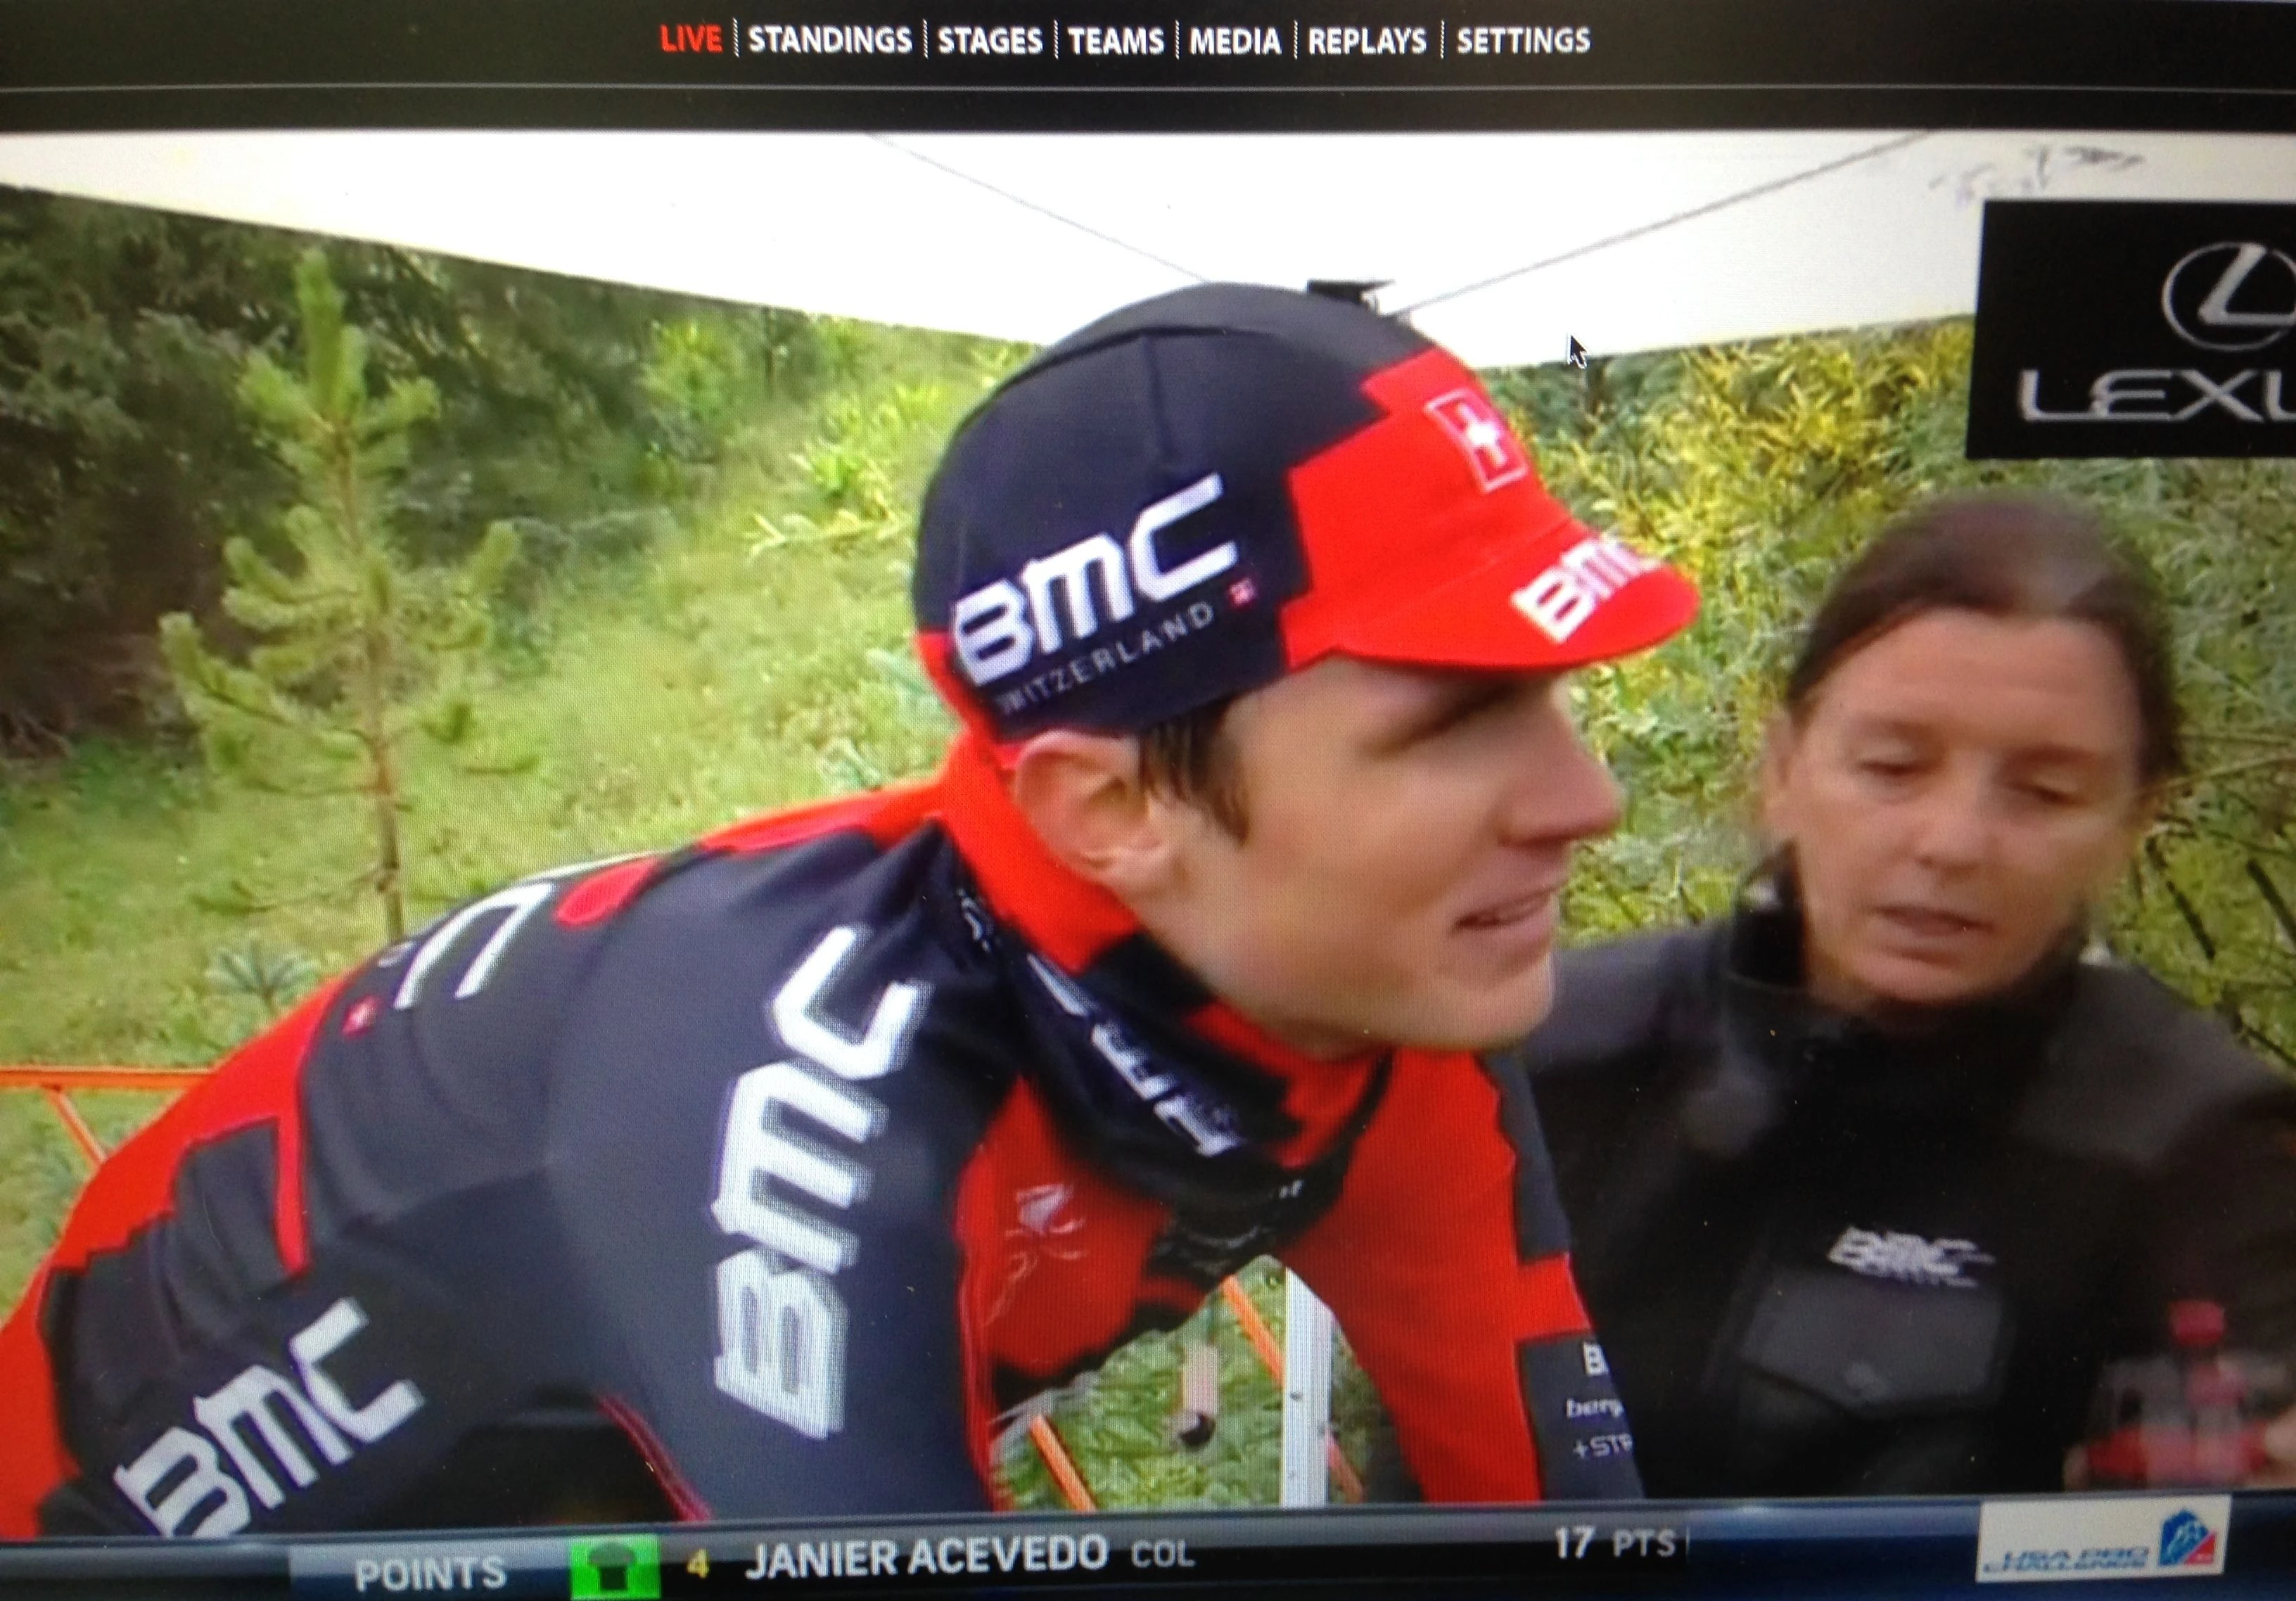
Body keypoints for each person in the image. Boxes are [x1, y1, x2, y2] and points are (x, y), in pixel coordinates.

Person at [0, 283, 1698, 1537]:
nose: (1584, 799)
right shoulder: (801, 1099)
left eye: (1548, 700)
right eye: (1453, 724)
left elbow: (1574, 1557)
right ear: (1113, 810)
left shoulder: (1380, 1000)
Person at [1523, 493, 2296, 1499]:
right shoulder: (1556, 1050)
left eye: (2045, 792)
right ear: (1782, 768)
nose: (1953, 841)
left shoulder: (2197, 1146)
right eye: (1893, 768)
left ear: (2133, 821)